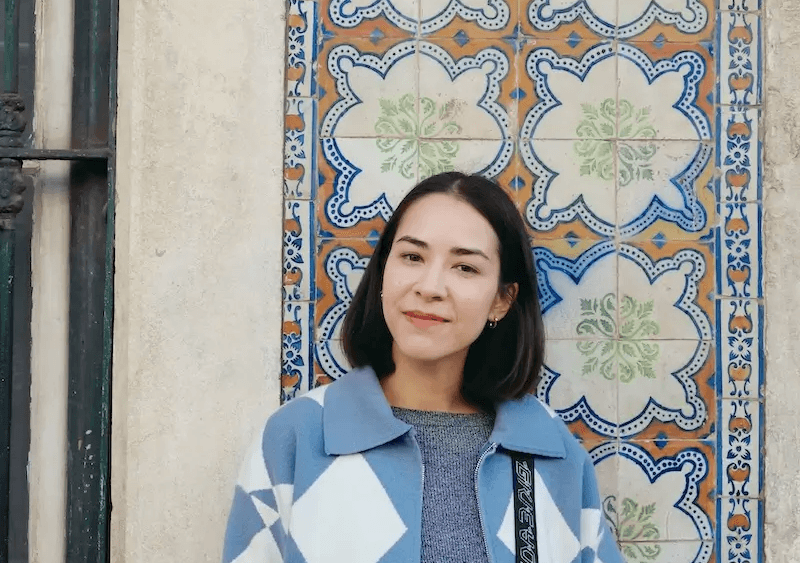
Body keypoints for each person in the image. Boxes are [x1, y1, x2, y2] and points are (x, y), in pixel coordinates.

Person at [222, 172, 623, 563]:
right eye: (412, 256)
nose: (430, 287)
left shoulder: (551, 451)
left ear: (502, 299)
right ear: (383, 272)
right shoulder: (296, 437)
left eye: (465, 267)